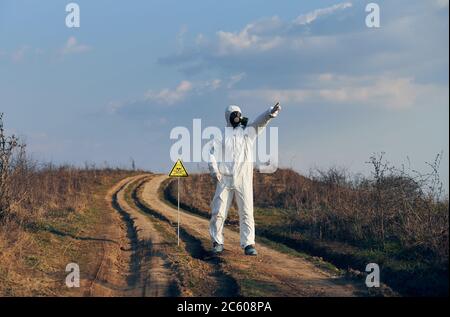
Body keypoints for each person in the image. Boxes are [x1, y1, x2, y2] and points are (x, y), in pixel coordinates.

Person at [208, 103, 281, 255]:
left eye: (238, 114)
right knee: (218, 212)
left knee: (247, 211)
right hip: (225, 178)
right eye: (233, 115)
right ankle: (217, 242)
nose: (236, 117)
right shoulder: (221, 135)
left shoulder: (248, 133)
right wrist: (215, 171)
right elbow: (212, 155)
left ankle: (248, 244)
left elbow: (260, 122)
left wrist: (270, 113)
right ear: (228, 117)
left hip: (244, 178)